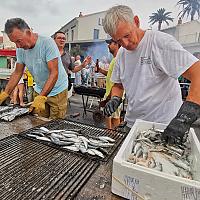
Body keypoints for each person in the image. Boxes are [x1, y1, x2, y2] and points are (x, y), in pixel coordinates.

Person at [103, 5, 200, 145]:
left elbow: (197, 73)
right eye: (118, 41)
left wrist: (184, 117)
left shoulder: (159, 42)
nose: (124, 44)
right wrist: (115, 99)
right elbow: (118, 84)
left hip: (164, 127)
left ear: (136, 21)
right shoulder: (121, 55)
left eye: (126, 35)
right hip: (133, 125)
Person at [0, 18, 68, 119]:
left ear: (28, 32)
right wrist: (6, 92)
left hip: (58, 91)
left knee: (55, 123)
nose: (18, 46)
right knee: (39, 122)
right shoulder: (20, 49)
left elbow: (54, 72)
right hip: (39, 89)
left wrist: (41, 97)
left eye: (19, 41)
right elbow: (18, 72)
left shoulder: (47, 43)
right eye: (14, 42)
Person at [98, 38, 121, 129]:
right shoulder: (115, 59)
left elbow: (118, 82)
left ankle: (112, 138)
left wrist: (108, 98)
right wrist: (100, 70)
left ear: (116, 45)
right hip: (112, 95)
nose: (108, 45)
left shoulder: (118, 60)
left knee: (112, 120)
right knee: (113, 117)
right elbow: (111, 75)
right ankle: (114, 137)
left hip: (113, 96)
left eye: (110, 43)